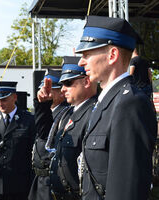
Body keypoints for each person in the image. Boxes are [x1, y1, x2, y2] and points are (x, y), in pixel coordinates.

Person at [77, 16, 157, 200]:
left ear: (112, 55)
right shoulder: (107, 102)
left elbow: (126, 188)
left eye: (87, 54)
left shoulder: (129, 104)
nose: (81, 62)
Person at [37, 56, 97, 200]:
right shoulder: (67, 113)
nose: (63, 89)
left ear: (87, 81)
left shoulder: (95, 113)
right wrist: (43, 105)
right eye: (62, 84)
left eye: (68, 83)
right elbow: (44, 135)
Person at [29, 68, 68, 200]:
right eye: (42, 88)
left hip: (53, 177)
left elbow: (46, 133)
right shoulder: (42, 112)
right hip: (38, 177)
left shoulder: (66, 113)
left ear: (61, 92)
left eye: (49, 89)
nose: (44, 92)